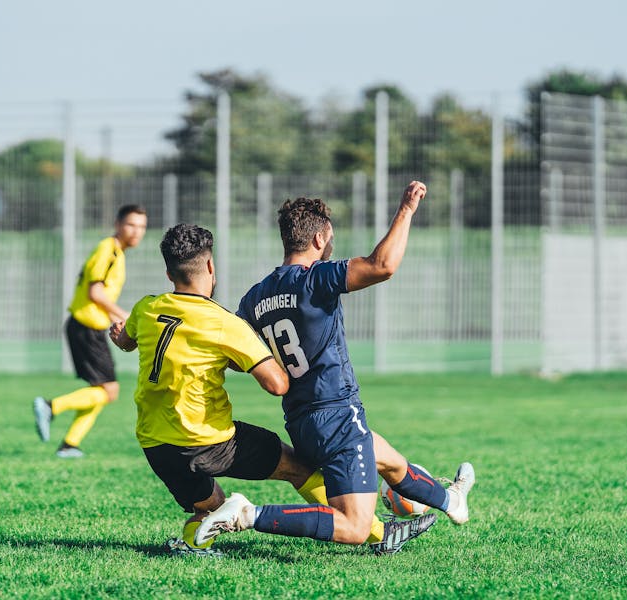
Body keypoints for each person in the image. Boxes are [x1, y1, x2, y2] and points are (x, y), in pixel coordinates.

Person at [109, 224, 427, 556]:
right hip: (209, 441)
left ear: (168, 273)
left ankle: (191, 545)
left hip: (156, 445)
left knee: (211, 506)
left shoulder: (146, 309)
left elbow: (126, 340)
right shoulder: (224, 323)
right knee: (297, 468)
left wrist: (121, 338)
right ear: (211, 266)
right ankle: (378, 533)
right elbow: (277, 384)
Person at [196, 181, 473, 553]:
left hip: (300, 421)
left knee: (391, 462)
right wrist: (406, 210)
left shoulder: (255, 297)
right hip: (337, 413)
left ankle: (451, 500)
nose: (332, 245)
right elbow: (382, 266)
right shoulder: (315, 279)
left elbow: (234, 356)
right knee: (355, 526)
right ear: (319, 238)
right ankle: (247, 514)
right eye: (331, 238)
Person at [33, 205, 147, 458]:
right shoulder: (109, 250)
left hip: (90, 327)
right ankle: (50, 407)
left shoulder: (117, 253)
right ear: (117, 224)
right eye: (131, 225)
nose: (137, 231)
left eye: (142, 227)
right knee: (109, 391)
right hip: (86, 327)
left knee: (101, 391)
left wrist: (118, 321)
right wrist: (126, 316)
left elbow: (101, 297)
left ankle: (69, 445)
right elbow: (95, 293)